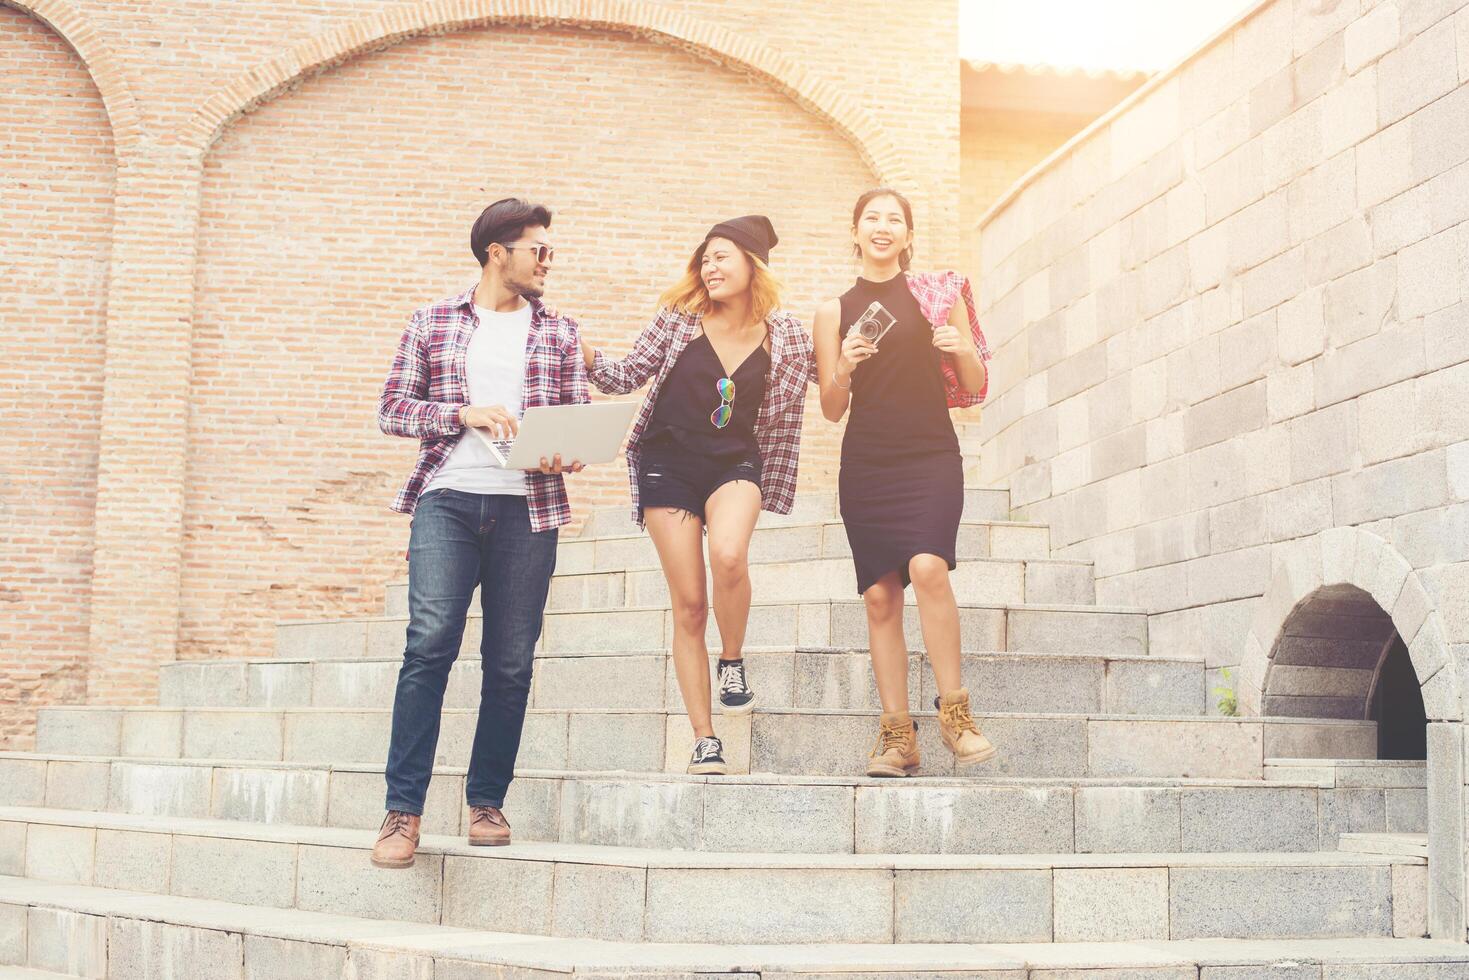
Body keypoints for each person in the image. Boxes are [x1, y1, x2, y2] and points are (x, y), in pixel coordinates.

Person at [371, 197, 588, 868]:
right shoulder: (433, 320)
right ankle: (402, 812)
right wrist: (460, 412)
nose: (547, 262)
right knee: (429, 644)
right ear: (499, 252)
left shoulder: (560, 331)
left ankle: (486, 800)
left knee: (511, 661)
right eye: (538, 250)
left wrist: (566, 448)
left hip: (529, 508)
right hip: (449, 501)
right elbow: (392, 409)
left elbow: (575, 417)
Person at [581, 216, 812, 776]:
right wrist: (584, 355)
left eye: (723, 256)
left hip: (737, 460)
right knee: (689, 604)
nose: (710, 267)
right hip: (668, 465)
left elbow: (835, 382)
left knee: (729, 554)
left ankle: (731, 659)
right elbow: (626, 374)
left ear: (753, 265)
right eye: (705, 258)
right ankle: (705, 738)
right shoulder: (678, 321)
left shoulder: (789, 335)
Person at [812, 187, 997, 777]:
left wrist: (961, 345)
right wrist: (843, 365)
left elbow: (974, 384)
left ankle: (956, 716)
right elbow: (832, 408)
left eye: (895, 220)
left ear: (909, 236)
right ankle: (898, 738)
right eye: (872, 218)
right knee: (879, 595)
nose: (883, 227)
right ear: (855, 231)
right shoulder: (832, 311)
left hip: (930, 453)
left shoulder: (938, 294)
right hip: (868, 460)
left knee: (928, 568)